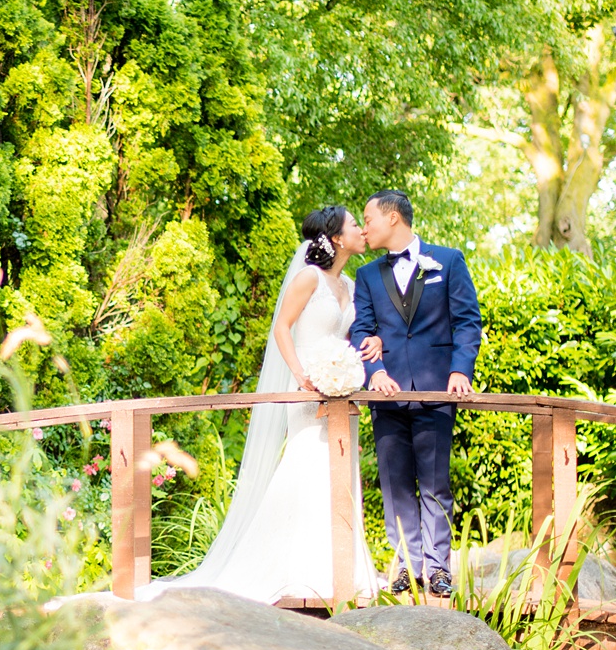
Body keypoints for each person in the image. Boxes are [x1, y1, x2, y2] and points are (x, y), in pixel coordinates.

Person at [136, 206, 381, 604]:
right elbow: (282, 326)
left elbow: (355, 334)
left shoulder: (351, 286)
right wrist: (302, 374)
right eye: (355, 225)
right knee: (307, 468)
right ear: (336, 237)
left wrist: (358, 359)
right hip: (307, 391)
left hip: (340, 392)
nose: (361, 231)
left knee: (341, 469)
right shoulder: (309, 278)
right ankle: (298, 569)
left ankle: (342, 568)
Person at [349, 190, 483, 597]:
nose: (364, 226)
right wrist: (375, 372)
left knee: (435, 482)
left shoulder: (449, 260)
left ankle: (439, 568)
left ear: (392, 218)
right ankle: (405, 563)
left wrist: (460, 370)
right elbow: (361, 330)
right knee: (394, 483)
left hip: (437, 388)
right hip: (387, 395)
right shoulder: (368, 275)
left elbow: (467, 322)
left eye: (368, 218)